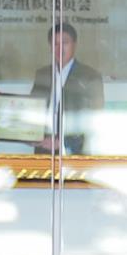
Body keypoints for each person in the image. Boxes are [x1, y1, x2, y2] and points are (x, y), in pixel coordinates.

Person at [30, 21, 106, 156]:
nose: (59, 48)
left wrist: (62, 142)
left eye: (65, 43)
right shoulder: (42, 74)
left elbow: (94, 118)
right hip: (43, 149)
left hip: (74, 152)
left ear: (74, 45)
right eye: (55, 44)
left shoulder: (90, 77)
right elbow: (32, 109)